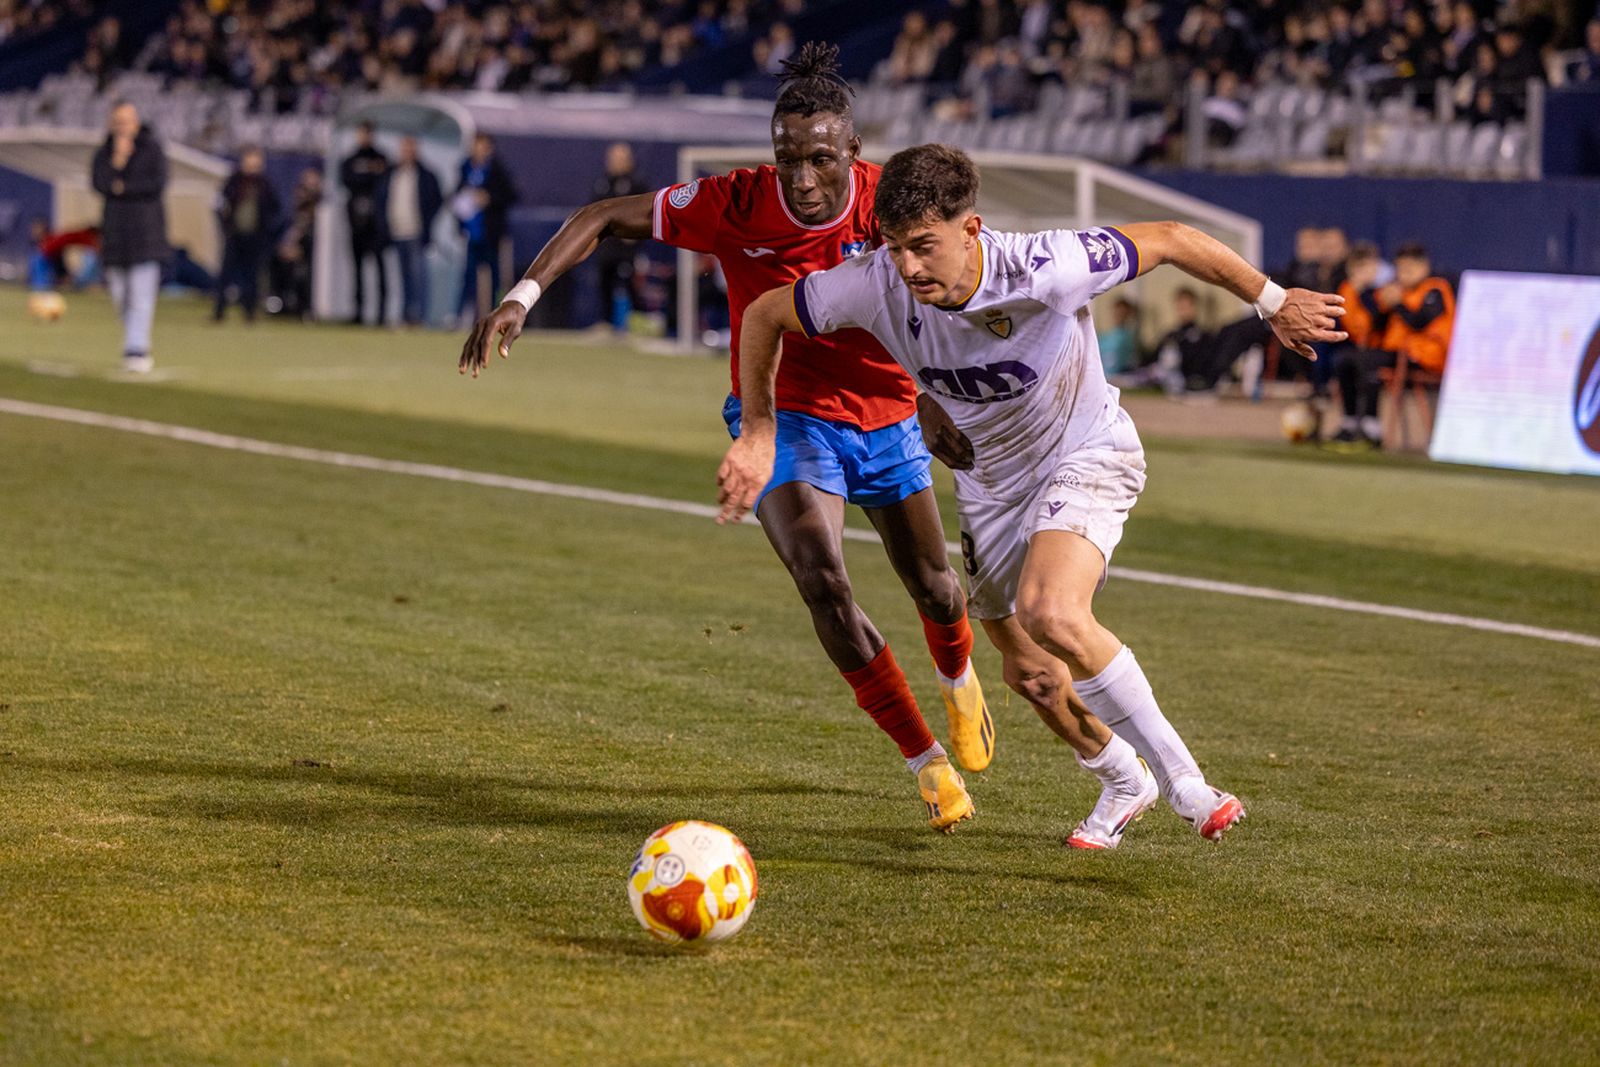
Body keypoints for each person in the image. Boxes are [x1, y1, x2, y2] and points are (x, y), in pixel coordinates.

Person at [718, 144, 1346, 848]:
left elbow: (1170, 239)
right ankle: (1119, 775)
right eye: (894, 247)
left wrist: (1272, 301)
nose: (908, 267)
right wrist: (760, 429)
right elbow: (765, 313)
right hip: (990, 486)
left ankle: (1187, 783)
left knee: (1054, 609)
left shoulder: (1047, 265)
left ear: (972, 229)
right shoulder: (874, 283)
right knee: (1030, 673)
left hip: (1085, 454)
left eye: (924, 246)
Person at [459, 44, 994, 832]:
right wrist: (522, 296)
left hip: (889, 411)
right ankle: (927, 763)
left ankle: (958, 680)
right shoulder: (734, 203)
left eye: (820, 159)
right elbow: (603, 217)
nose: (803, 179)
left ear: (853, 152)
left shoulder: (890, 203)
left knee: (937, 588)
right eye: (787, 161)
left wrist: (935, 394)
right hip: (785, 416)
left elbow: (961, 284)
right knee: (821, 576)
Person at [1331, 243, 1454, 449]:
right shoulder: (1396, 290)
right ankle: (1350, 422)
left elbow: (1419, 322)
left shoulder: (1436, 289)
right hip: (1398, 354)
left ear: (1424, 267)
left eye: (1409, 269)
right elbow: (1376, 326)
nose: (1404, 275)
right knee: (1345, 360)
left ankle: (1372, 429)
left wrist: (1397, 303)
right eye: (1401, 269)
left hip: (1426, 358)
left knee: (1368, 361)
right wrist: (1384, 306)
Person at [91, 101, 168, 373]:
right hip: (114, 237)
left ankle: (137, 349)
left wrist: (121, 187)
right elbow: (100, 184)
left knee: (141, 296)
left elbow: (155, 185)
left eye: (127, 120)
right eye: (118, 121)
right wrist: (118, 162)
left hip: (146, 236)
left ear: (136, 121)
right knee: (121, 296)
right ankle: (133, 340)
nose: (123, 126)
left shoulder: (152, 150)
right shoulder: (104, 153)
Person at [453, 132, 519, 324]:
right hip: (471, 234)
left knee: (495, 278)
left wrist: (489, 198)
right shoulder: (465, 168)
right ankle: (461, 317)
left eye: (483, 147)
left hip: (491, 233)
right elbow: (457, 195)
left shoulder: (498, 171)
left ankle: (494, 316)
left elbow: (511, 196)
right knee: (468, 277)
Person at [378, 136, 443, 327]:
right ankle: (406, 316)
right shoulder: (392, 173)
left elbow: (436, 200)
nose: (407, 152)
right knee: (403, 277)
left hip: (416, 232)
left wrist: (426, 221)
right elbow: (382, 200)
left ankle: (419, 317)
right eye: (404, 148)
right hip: (397, 232)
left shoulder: (425, 175)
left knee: (418, 277)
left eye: (410, 148)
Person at [213, 145, 282, 323]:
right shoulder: (234, 181)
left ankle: (249, 312)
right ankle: (219, 312)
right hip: (234, 235)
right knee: (226, 275)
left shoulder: (265, 184)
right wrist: (226, 227)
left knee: (251, 276)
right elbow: (220, 205)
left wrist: (266, 231)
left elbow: (274, 209)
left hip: (255, 237)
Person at [588, 142, 651, 332]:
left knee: (630, 284)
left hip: (628, 248)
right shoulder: (603, 182)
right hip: (607, 245)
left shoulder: (637, 184)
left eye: (620, 158)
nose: (615, 163)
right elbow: (592, 210)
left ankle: (637, 324)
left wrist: (635, 232)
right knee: (604, 283)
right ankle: (606, 323)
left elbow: (648, 212)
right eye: (613, 159)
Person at [340, 121, 389, 325]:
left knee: (379, 269)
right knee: (357, 270)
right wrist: (370, 172)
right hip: (356, 223)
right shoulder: (350, 159)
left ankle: (381, 314)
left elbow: (383, 182)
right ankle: (358, 312)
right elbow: (347, 180)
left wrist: (366, 172)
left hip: (376, 225)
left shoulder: (381, 157)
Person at [271, 168, 322, 320]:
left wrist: (297, 247)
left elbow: (306, 232)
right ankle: (283, 304)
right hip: (296, 250)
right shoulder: (295, 212)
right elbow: (293, 231)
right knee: (279, 267)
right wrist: (288, 246)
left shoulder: (318, 208)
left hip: (309, 253)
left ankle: (304, 308)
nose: (301, 194)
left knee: (304, 276)